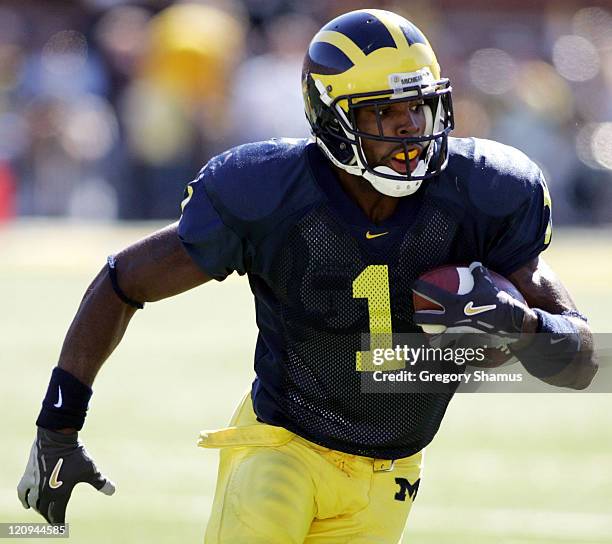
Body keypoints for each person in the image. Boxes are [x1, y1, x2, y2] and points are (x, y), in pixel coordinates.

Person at [18, 9, 597, 543]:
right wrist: (58, 427)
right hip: (282, 445)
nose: (406, 129)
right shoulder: (270, 192)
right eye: (381, 112)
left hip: (394, 470)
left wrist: (524, 325)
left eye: (416, 106)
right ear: (331, 116)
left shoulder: (486, 191)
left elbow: (583, 361)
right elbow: (125, 280)